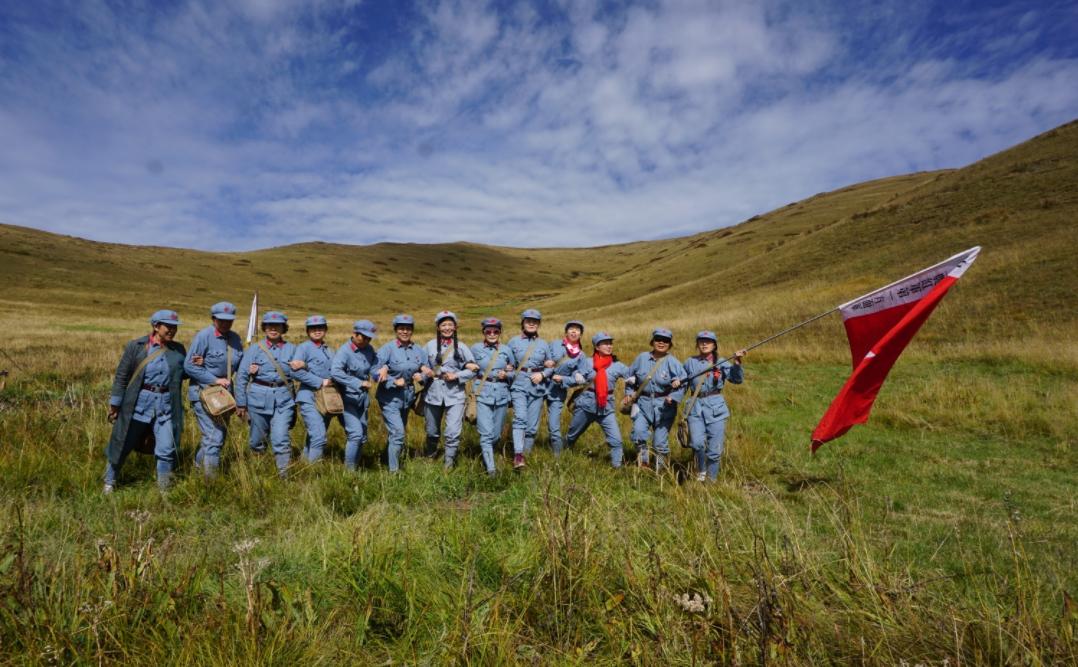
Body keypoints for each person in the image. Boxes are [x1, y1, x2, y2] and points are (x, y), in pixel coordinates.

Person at [104, 309, 188, 492]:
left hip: (167, 406)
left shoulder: (179, 350)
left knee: (167, 448)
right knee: (123, 443)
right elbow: (122, 376)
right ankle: (109, 482)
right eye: (169, 326)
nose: (172, 330)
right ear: (156, 326)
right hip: (138, 404)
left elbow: (184, 374)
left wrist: (196, 364)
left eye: (175, 327)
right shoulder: (136, 346)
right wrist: (115, 404)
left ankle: (164, 490)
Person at [234, 311, 301, 478]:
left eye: (277, 325)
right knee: (257, 441)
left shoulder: (293, 349)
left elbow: (302, 374)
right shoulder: (254, 349)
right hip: (257, 400)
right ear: (264, 328)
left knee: (280, 438)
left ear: (283, 328)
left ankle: (283, 476)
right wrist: (241, 403)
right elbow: (241, 376)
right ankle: (259, 474)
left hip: (284, 400)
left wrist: (303, 366)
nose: (273, 329)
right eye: (269, 326)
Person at [184, 301, 243, 477]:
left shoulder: (235, 338)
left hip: (224, 398)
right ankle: (211, 483)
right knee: (214, 438)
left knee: (218, 437)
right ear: (213, 319)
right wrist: (214, 379)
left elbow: (240, 363)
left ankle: (197, 466)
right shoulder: (203, 336)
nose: (225, 323)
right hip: (204, 394)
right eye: (221, 320)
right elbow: (189, 366)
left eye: (229, 320)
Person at [682, 331, 745, 481]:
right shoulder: (689, 362)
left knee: (714, 450)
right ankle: (702, 470)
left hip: (716, 408)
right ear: (697, 344)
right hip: (694, 407)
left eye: (708, 341)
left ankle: (711, 480)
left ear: (714, 345)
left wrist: (736, 363)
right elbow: (682, 384)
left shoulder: (722, 362)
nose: (704, 344)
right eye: (701, 341)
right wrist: (673, 392)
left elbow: (737, 379)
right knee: (696, 443)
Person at [421, 311, 478, 469]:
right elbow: (421, 365)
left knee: (452, 432)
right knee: (432, 431)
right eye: (443, 325)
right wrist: (423, 374)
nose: (447, 328)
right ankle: (430, 456)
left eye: (450, 325)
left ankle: (448, 464)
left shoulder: (462, 347)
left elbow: (473, 369)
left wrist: (457, 375)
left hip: (455, 395)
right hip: (433, 393)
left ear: (455, 327)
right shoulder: (429, 345)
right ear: (438, 327)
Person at [565, 332, 631, 467]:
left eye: (610, 343)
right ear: (597, 347)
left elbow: (631, 377)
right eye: (605, 343)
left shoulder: (618, 365)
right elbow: (575, 375)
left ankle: (617, 467)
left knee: (616, 441)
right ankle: (561, 456)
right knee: (572, 436)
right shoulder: (587, 362)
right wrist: (576, 374)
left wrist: (629, 389)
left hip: (606, 407)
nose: (609, 346)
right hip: (586, 405)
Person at [375, 314, 430, 472]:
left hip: (408, 397)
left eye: (408, 328)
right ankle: (393, 472)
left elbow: (426, 369)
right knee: (398, 432)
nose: (404, 331)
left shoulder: (418, 350)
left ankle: (386, 459)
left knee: (396, 432)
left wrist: (423, 377)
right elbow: (375, 372)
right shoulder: (387, 349)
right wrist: (392, 380)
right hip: (389, 397)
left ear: (412, 330)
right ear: (396, 330)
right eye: (401, 328)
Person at [626, 327, 685, 472]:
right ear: (652, 341)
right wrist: (629, 393)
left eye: (665, 341)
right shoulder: (641, 358)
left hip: (664, 406)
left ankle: (661, 472)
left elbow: (684, 382)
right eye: (658, 339)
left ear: (670, 344)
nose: (661, 343)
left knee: (659, 442)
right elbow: (629, 378)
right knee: (639, 434)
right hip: (642, 403)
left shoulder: (673, 362)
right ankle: (644, 464)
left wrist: (674, 396)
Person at [292, 315, 344, 463]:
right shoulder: (303, 348)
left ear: (325, 330)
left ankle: (304, 464)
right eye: (313, 328)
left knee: (314, 435)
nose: (317, 331)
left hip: (326, 400)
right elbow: (295, 372)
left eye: (320, 328)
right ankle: (313, 473)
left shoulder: (330, 350)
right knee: (319, 437)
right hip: (309, 397)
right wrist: (320, 381)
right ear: (308, 331)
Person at [506, 308, 553, 469]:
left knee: (532, 426)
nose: (531, 324)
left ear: (538, 324)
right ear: (523, 323)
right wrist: (507, 370)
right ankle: (518, 455)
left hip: (538, 387)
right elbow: (507, 363)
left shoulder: (543, 344)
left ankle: (526, 455)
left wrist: (543, 374)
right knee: (520, 418)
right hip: (518, 385)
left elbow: (550, 366)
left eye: (535, 322)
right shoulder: (513, 342)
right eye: (528, 321)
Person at [470, 317, 515, 476]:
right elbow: (466, 364)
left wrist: (508, 374)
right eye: (488, 331)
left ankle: (488, 452)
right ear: (483, 332)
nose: (492, 334)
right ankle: (491, 469)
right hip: (482, 392)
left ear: (500, 332)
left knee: (495, 434)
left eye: (495, 331)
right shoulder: (475, 349)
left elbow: (514, 370)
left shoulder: (506, 350)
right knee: (486, 433)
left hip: (502, 394)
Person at [330, 320, 378, 470]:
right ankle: (349, 472)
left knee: (362, 438)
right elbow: (336, 372)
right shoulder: (344, 351)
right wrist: (358, 383)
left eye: (369, 338)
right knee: (356, 435)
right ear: (354, 334)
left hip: (362, 401)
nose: (366, 340)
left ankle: (356, 467)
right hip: (346, 400)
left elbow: (375, 366)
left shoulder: (369, 349)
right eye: (363, 337)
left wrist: (380, 372)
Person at [545, 319, 585, 456]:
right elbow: (540, 359)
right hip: (540, 384)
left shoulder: (581, 356)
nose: (574, 331)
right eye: (571, 329)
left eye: (577, 330)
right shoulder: (554, 344)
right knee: (530, 423)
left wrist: (564, 379)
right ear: (566, 331)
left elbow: (579, 379)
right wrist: (546, 362)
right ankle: (524, 454)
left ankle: (557, 456)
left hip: (558, 390)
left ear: (581, 334)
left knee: (553, 425)